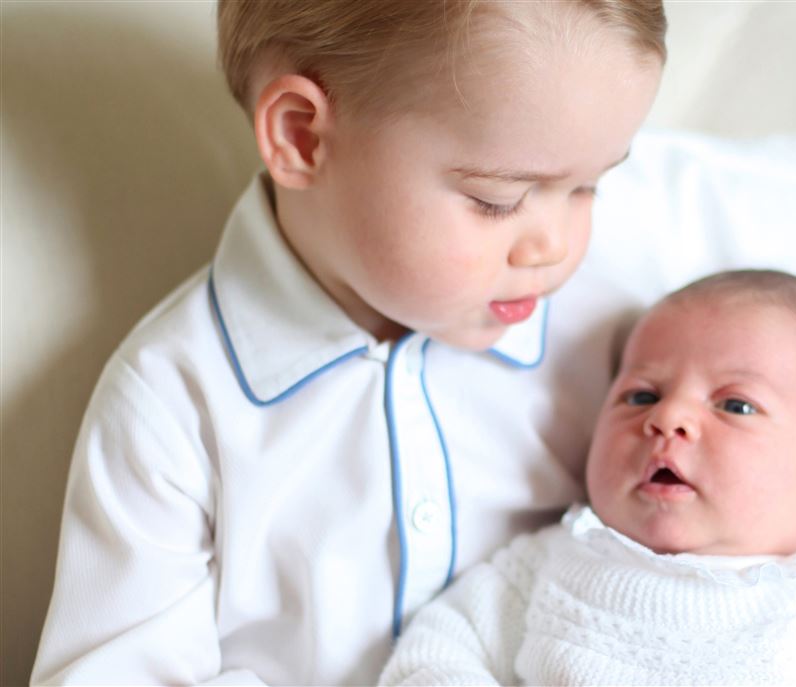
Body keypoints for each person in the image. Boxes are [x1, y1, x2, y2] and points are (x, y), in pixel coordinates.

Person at [30, 2, 665, 685]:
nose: (555, 245)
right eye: (497, 199)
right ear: (302, 137)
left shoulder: (618, 331)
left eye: (589, 187)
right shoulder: (173, 406)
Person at [379, 270, 796, 686]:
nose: (667, 418)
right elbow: (433, 654)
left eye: (735, 405)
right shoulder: (549, 564)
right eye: (642, 395)